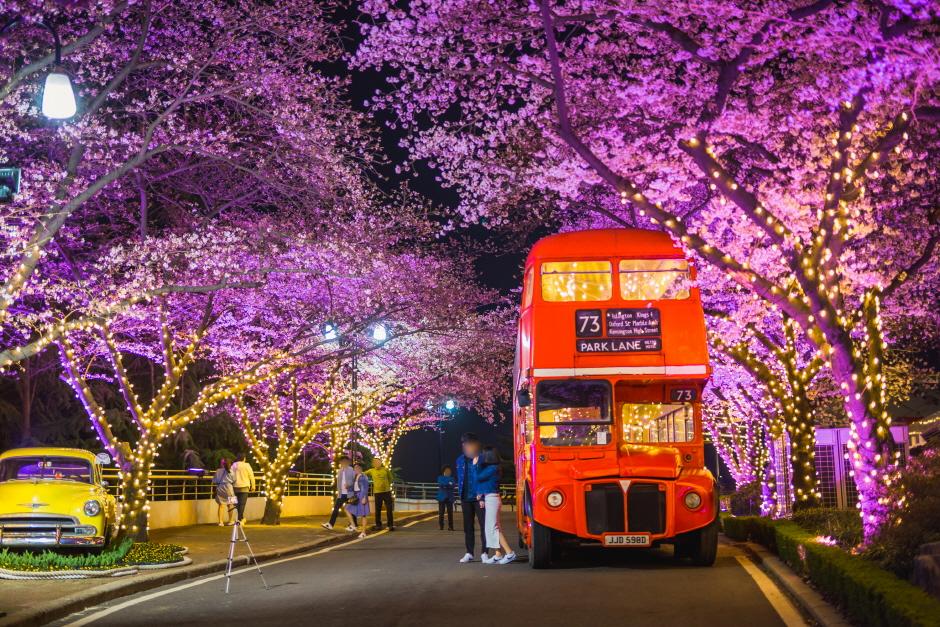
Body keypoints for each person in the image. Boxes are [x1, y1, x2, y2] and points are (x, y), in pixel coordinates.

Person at [476, 445, 516, 564]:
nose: (481, 456)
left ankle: (510, 553)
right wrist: (481, 495)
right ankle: (498, 554)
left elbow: (478, 477)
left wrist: (475, 465)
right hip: (490, 498)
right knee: (491, 528)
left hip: (492, 499)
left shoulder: (493, 468)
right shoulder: (491, 468)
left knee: (493, 528)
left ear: (488, 456)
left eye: (483, 454)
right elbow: (482, 482)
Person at [455, 432, 486, 563]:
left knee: (484, 525)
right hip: (465, 497)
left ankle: (485, 552)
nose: (467, 446)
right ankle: (469, 552)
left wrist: (483, 494)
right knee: (468, 527)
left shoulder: (482, 458)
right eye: (464, 444)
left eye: (469, 444)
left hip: (480, 497)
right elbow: (460, 478)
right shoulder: (459, 460)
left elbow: (486, 477)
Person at [322, 456, 357, 531]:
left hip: (350, 493)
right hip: (342, 494)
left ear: (348, 462)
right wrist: (339, 492)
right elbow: (338, 483)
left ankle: (354, 525)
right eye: (342, 461)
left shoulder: (351, 470)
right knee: (336, 508)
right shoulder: (340, 471)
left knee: (351, 510)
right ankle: (330, 524)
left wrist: (349, 485)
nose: (343, 463)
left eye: (345, 461)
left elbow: (355, 481)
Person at [366, 457, 395, 531]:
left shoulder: (385, 470)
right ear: (373, 464)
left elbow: (390, 478)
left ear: (381, 463)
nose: (377, 463)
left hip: (386, 492)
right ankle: (378, 525)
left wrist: (386, 485)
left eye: (378, 462)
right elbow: (363, 474)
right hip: (377, 493)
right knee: (377, 510)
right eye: (375, 462)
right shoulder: (371, 471)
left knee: (389, 509)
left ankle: (390, 525)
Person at [345, 462, 371, 539]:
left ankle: (363, 532)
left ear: (360, 468)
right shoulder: (355, 476)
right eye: (354, 468)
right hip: (356, 496)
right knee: (346, 508)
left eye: (356, 468)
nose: (355, 469)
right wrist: (348, 487)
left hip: (362, 496)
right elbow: (354, 487)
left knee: (363, 515)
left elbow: (365, 488)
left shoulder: (363, 477)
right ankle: (353, 525)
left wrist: (364, 498)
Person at [230, 452, 255, 525]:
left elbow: (230, 475)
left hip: (234, 487)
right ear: (244, 458)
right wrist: (253, 486)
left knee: (235, 504)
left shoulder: (234, 465)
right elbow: (251, 476)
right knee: (242, 504)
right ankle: (240, 519)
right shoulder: (247, 465)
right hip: (245, 486)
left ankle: (237, 519)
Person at [211, 458, 235, 526]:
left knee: (221, 505)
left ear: (221, 464)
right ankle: (230, 521)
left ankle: (220, 522)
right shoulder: (232, 471)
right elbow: (234, 480)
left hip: (220, 488)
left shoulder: (218, 471)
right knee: (231, 505)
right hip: (229, 488)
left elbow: (214, 480)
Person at [436, 465, 456, 531]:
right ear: (444, 471)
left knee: (450, 513)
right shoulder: (440, 477)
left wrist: (446, 484)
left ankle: (451, 527)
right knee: (441, 513)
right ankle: (441, 526)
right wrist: (448, 483)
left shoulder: (452, 478)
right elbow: (441, 484)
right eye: (447, 470)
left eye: (449, 471)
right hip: (442, 497)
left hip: (449, 497)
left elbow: (453, 485)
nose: (448, 472)